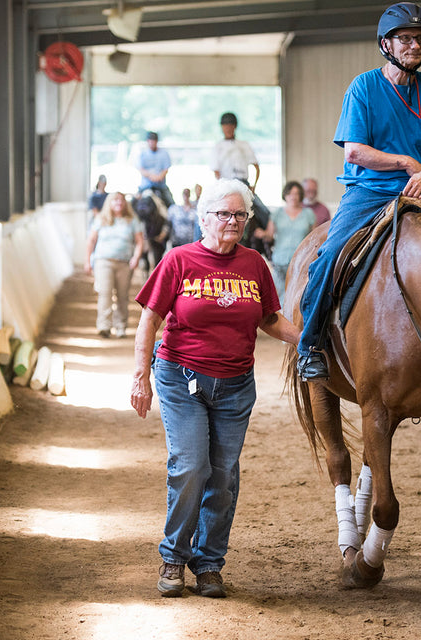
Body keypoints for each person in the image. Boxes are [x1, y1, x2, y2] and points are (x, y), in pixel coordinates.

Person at [295, 1, 421, 381]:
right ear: (386, 44)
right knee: (329, 256)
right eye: (405, 38)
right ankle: (310, 344)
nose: (414, 46)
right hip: (368, 190)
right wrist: (406, 163)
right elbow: (355, 151)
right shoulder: (364, 87)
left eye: (420, 39)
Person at [131, 179, 300, 599]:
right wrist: (140, 376)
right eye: (224, 213)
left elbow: (269, 319)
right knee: (191, 466)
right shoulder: (178, 260)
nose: (233, 221)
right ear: (204, 217)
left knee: (222, 475)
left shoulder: (254, 264)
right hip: (181, 378)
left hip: (236, 384)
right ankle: (174, 556)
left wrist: (311, 337)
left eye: (240, 214)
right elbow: (150, 319)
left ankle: (208, 563)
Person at [84, 192, 146, 339]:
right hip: (103, 261)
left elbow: (139, 241)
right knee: (104, 293)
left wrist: (136, 257)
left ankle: (121, 326)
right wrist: (87, 261)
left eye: (122, 200)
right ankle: (104, 326)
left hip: (124, 263)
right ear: (109, 203)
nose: (119, 202)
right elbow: (91, 240)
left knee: (122, 295)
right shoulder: (101, 219)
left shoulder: (132, 220)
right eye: (115, 200)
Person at [210, 112, 272, 256]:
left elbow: (256, 166)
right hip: (225, 185)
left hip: (244, 184)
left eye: (230, 126)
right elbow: (216, 171)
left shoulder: (244, 145)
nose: (228, 129)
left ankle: (269, 244)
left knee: (264, 212)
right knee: (203, 213)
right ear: (222, 128)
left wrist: (254, 186)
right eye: (225, 126)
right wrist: (221, 188)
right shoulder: (218, 147)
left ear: (235, 127)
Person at [264, 181, 316, 306]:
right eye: (290, 193)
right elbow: (269, 235)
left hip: (301, 261)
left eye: (297, 193)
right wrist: (261, 233)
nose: (293, 196)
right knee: (279, 297)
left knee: (298, 297)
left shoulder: (308, 214)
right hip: (279, 261)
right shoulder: (277, 213)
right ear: (285, 195)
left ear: (301, 196)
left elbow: (315, 237)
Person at [136, 131, 175, 207]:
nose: (152, 143)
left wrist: (158, 177)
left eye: (153, 141)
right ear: (147, 141)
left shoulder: (164, 154)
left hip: (160, 186)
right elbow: (141, 169)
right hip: (145, 185)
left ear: (157, 141)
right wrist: (151, 176)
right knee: (135, 203)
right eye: (150, 141)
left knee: (171, 203)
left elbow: (165, 170)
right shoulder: (142, 154)